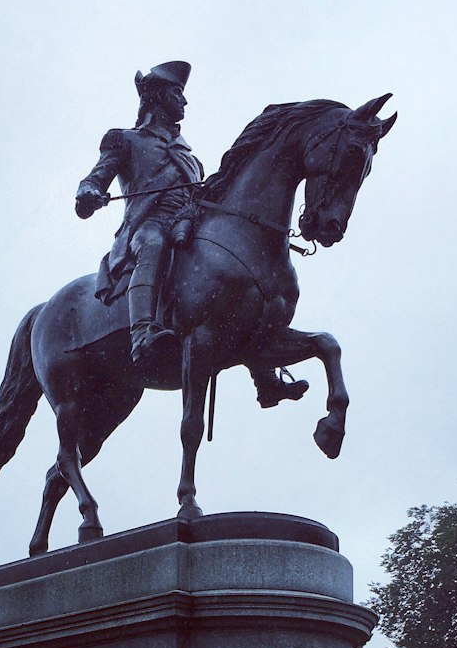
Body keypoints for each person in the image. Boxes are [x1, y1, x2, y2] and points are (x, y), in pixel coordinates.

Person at [75, 61, 307, 406]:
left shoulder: (191, 159)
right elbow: (95, 178)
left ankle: (265, 376)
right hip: (146, 226)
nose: (184, 102)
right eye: (177, 94)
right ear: (157, 97)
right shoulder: (125, 140)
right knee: (154, 244)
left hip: (186, 225)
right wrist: (89, 192)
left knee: (234, 269)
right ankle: (142, 334)